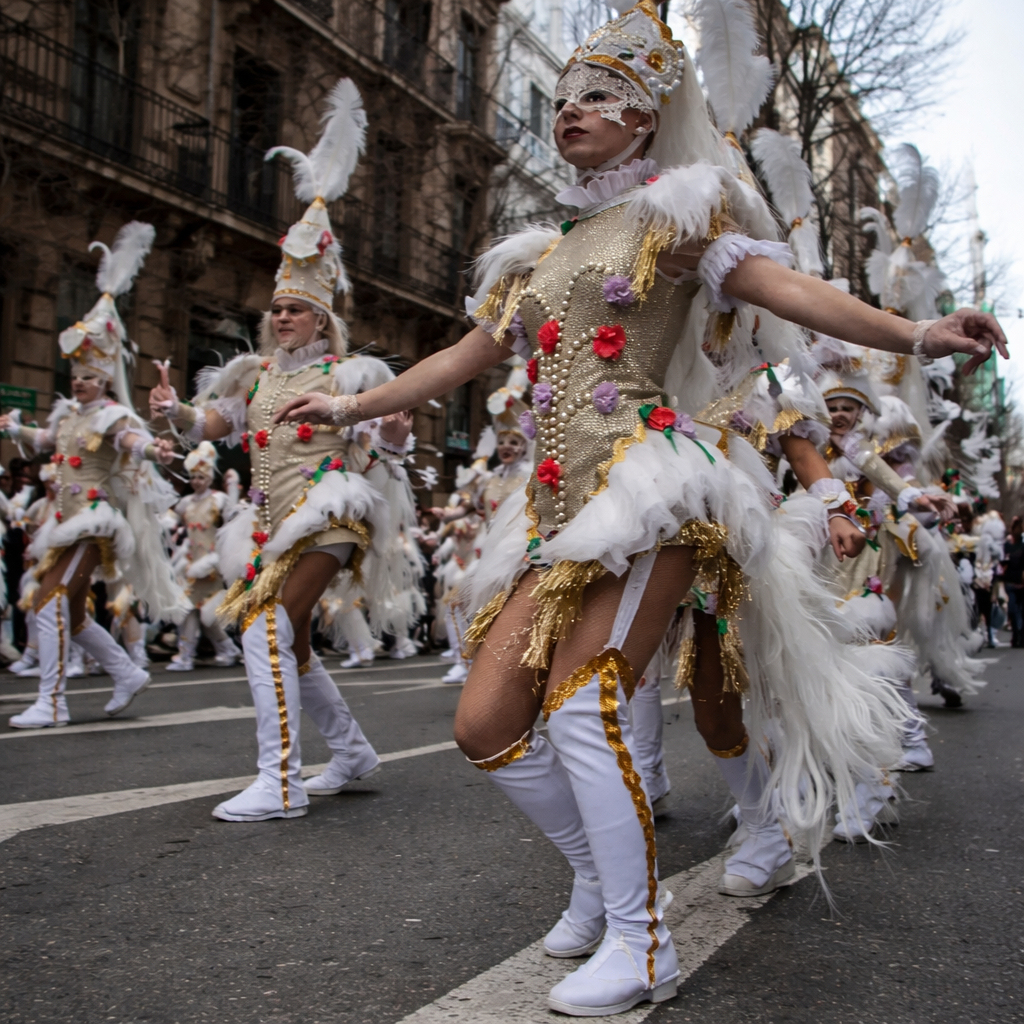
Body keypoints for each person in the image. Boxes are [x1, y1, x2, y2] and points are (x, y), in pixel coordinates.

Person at [272, 5, 1006, 1015]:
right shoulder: (543, 250)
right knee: (484, 723)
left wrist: (916, 332)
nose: (574, 110)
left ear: (649, 116)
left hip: (648, 491)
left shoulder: (678, 217)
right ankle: (596, 880)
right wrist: (351, 399)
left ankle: (641, 936)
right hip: (553, 512)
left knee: (585, 705)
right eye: (567, 96)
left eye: (602, 95)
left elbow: (788, 290)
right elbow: (461, 358)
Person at [150, 80, 408, 820]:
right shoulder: (253, 377)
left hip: (332, 516)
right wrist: (174, 415)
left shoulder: (350, 375)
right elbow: (211, 428)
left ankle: (283, 780)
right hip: (269, 523)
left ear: (322, 319)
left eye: (296, 309)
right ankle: (352, 751)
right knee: (286, 639)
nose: (283, 316)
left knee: (266, 627)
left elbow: (390, 433)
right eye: (277, 308)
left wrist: (392, 429)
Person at [0, 222, 188, 728]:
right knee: (70, 610)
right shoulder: (68, 414)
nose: (79, 382)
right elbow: (45, 443)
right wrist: (17, 428)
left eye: (88, 376)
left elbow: (133, 442)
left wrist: (157, 449)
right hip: (62, 521)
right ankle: (125, 673)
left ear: (104, 378)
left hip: (92, 520)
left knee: (52, 601)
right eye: (75, 375)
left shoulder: (111, 416)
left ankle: (54, 701)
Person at [165, 441, 242, 671]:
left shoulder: (219, 500)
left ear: (209, 478)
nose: (197, 481)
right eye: (194, 477)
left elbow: (234, 523)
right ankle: (204, 652)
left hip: (211, 566)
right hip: (190, 564)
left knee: (203, 613)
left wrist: (234, 489)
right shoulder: (186, 503)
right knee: (193, 610)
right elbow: (169, 520)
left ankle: (213, 651)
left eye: (201, 477)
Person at [1004, 516, 1024, 647]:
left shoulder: (1022, 544)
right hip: (1011, 581)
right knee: (1013, 609)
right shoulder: (1006, 545)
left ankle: (1019, 637)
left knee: (1020, 611)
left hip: (1020, 581)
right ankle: (1016, 635)